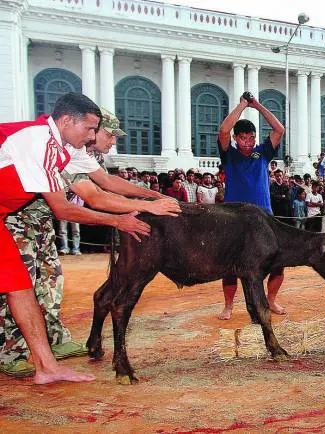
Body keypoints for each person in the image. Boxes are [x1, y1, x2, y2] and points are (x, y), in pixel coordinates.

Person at [1, 106, 179, 377]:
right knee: (20, 286)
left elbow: (106, 182)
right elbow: (74, 206)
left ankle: (46, 367)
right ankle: (16, 352)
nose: (95, 136)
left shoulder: (68, 149)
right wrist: (126, 218)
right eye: (92, 129)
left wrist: (151, 198)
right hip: (17, 220)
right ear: (67, 121)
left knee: (21, 287)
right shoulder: (37, 143)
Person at [216, 92, 286, 319]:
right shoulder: (230, 155)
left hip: (264, 216)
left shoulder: (263, 153)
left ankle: (271, 300)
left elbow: (279, 130)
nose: (248, 142)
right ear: (237, 139)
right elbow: (224, 130)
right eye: (243, 138)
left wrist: (257, 106)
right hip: (233, 217)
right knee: (230, 266)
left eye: (251, 138)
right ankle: (228, 306)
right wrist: (241, 106)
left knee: (276, 262)